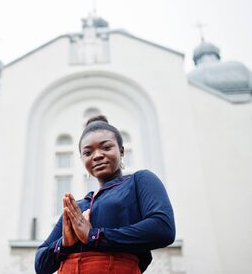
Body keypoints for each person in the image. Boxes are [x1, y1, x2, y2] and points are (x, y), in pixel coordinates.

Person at [35, 115, 175, 274]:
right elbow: (40, 265)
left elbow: (163, 228)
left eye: (106, 147)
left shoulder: (138, 181)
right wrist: (64, 243)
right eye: (88, 152)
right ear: (82, 159)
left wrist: (93, 236)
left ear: (121, 151)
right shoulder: (78, 207)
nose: (97, 156)